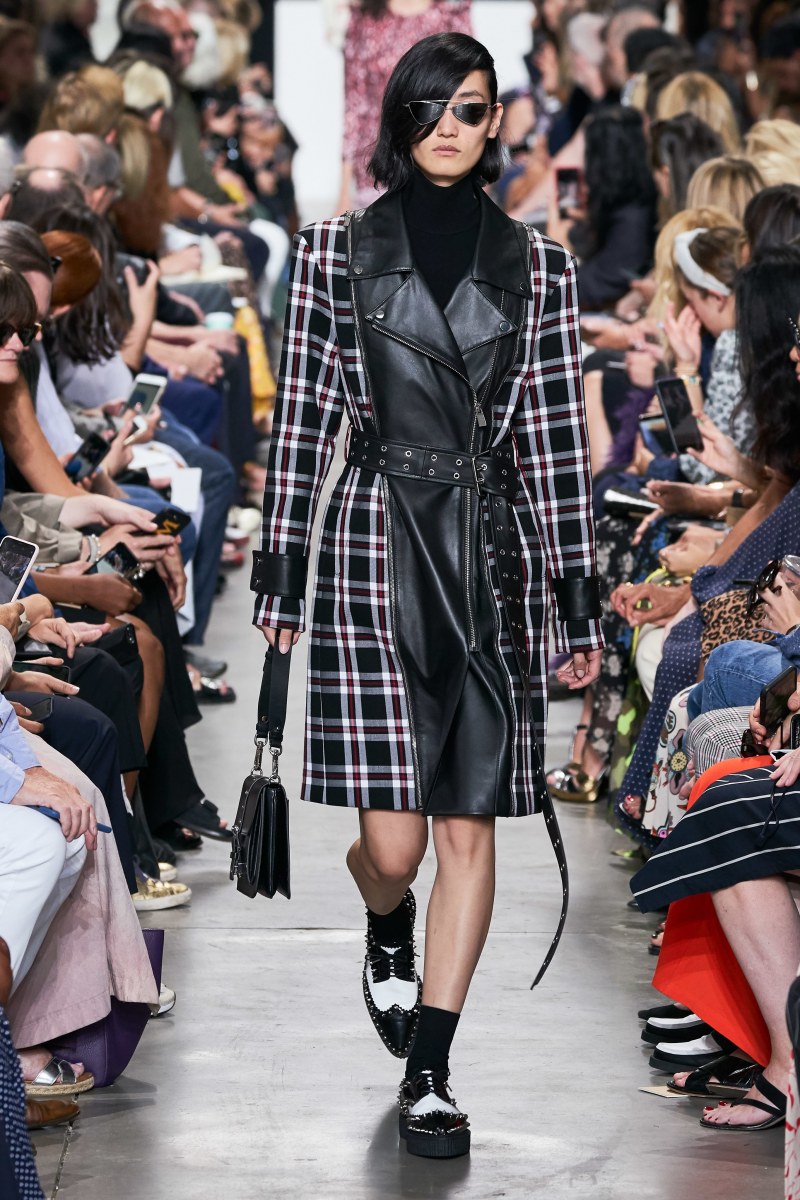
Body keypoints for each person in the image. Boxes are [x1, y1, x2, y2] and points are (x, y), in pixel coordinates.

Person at [253, 31, 603, 1159]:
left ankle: (432, 1069)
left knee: (467, 824)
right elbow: (302, 418)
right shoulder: (333, 252)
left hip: (486, 557)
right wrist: (280, 571)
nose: (450, 127)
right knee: (395, 851)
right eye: (431, 107)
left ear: (497, 121)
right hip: (372, 545)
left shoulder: (541, 268)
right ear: (398, 117)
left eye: (472, 108)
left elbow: (555, 440)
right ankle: (384, 915)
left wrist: (578, 599)